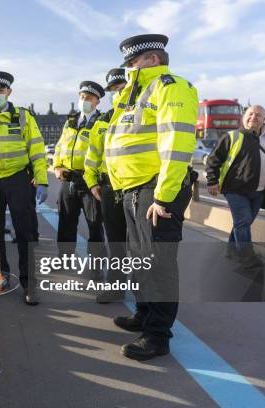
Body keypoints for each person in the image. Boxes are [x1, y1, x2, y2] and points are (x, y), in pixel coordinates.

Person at [104, 34, 198, 361]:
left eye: (132, 63)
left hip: (157, 189)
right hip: (134, 189)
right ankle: (144, 313)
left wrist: (164, 196)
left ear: (152, 60)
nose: (128, 69)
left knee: (159, 264)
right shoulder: (136, 94)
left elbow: (177, 144)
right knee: (140, 258)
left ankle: (158, 335)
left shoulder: (170, 87)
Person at [0, 71, 48, 305]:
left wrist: (41, 180)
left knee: (26, 232)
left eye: (1, 91)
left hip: (19, 179)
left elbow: (37, 150)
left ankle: (29, 284)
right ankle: (1, 275)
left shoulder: (23, 117)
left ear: (9, 92)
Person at [206, 105, 265, 268]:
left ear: (264, 120)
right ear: (243, 117)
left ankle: (232, 250)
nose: (254, 117)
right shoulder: (232, 136)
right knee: (243, 222)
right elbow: (213, 160)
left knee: (242, 223)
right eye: (250, 114)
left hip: (260, 191)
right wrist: (212, 181)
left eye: (259, 115)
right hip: (235, 190)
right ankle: (247, 257)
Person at [83, 68, 128, 303]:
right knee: (116, 242)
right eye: (112, 89)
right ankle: (116, 286)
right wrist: (92, 182)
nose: (116, 92)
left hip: (138, 187)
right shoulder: (102, 120)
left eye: (120, 87)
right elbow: (93, 155)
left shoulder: (145, 113)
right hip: (109, 188)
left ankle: (146, 295)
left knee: (143, 245)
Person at [53, 81, 105, 278]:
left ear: (97, 102)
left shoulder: (102, 122)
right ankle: (64, 261)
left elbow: (104, 153)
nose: (84, 100)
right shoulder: (71, 121)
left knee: (95, 227)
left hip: (90, 182)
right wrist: (57, 166)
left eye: (89, 98)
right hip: (68, 179)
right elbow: (60, 147)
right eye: (82, 96)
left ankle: (96, 270)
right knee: (66, 224)